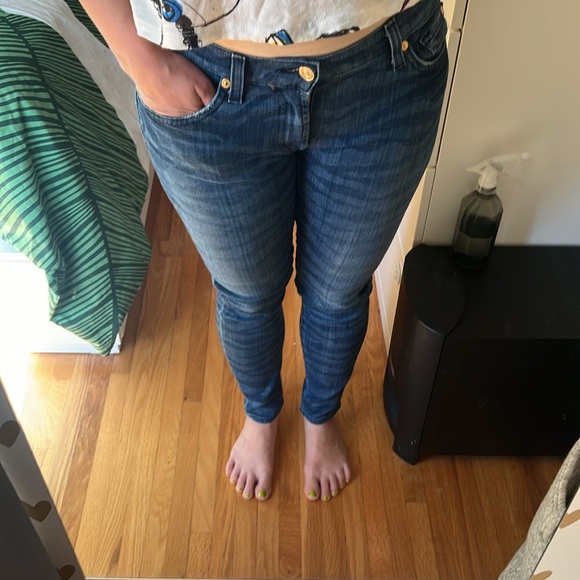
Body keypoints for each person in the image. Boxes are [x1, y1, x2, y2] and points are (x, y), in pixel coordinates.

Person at [79, 0, 448, 502]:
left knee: (339, 293)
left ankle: (320, 416)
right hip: (205, 79)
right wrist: (136, 56)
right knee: (247, 296)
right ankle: (261, 413)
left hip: (389, 65)